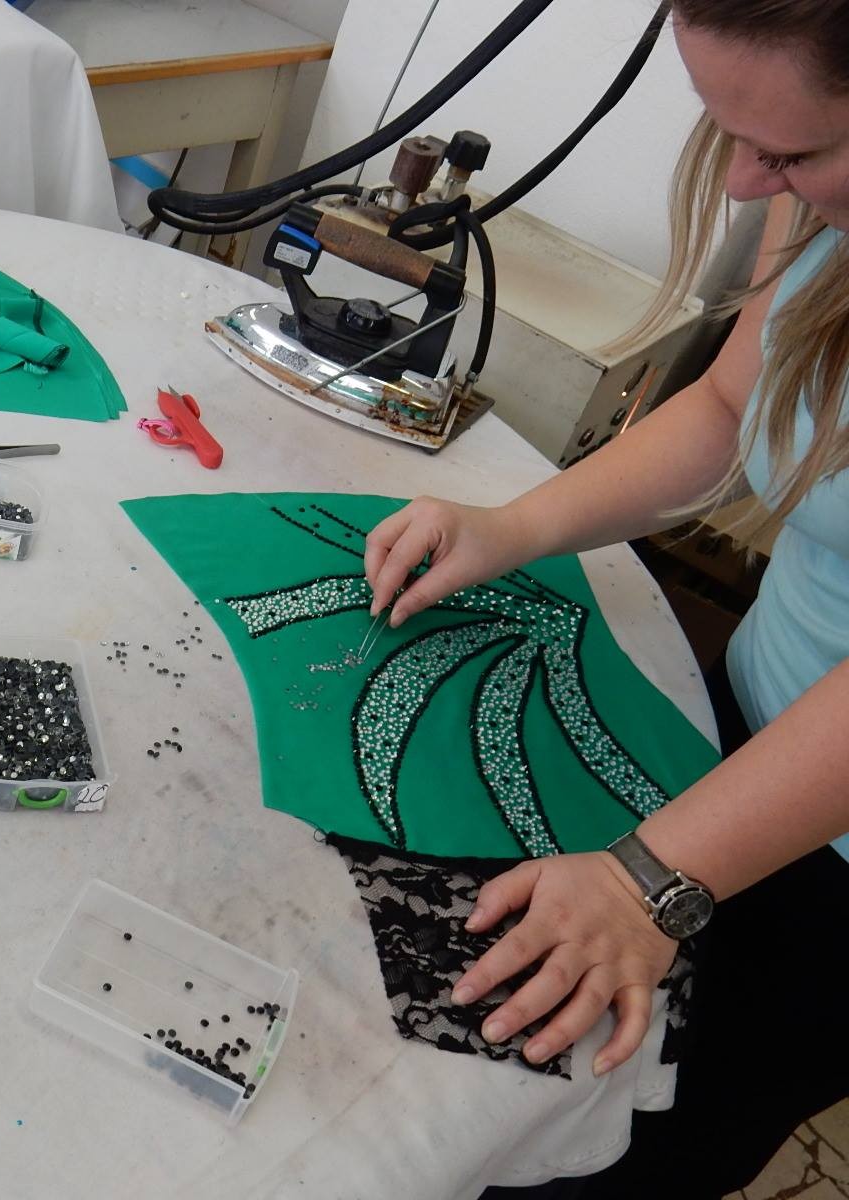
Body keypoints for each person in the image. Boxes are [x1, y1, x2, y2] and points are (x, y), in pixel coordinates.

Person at [364, 3, 849, 1195]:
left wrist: (650, 877)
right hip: (755, 716)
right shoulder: (807, 182)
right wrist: (514, 526)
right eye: (730, 135)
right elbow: (731, 405)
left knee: (651, 1138)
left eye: (790, 155)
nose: (744, 185)